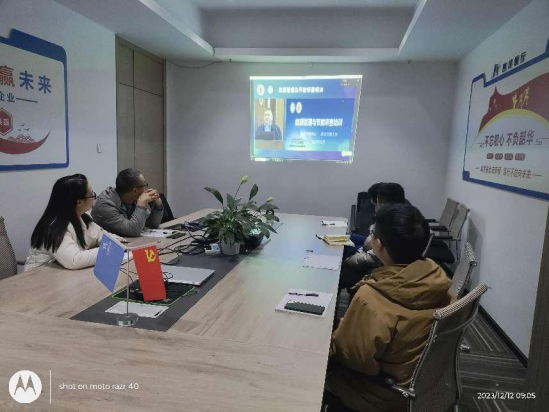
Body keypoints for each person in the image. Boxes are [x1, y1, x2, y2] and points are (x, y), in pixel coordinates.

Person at [326, 203, 452, 412]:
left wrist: (332, 333)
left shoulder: (372, 298)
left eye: (372, 233)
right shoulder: (438, 277)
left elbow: (352, 359)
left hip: (377, 393)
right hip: (419, 383)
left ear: (378, 245)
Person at [25, 174, 112, 271]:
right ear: (79, 202)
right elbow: (75, 260)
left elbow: (98, 234)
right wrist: (109, 250)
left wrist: (117, 242)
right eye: (92, 195)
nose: (94, 198)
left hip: (62, 273)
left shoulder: (83, 215)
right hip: (38, 276)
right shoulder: (54, 227)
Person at [339, 182, 407, 291]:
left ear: (383, 203)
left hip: (373, 264)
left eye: (376, 203)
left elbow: (375, 257)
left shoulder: (392, 222)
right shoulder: (400, 213)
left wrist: (349, 259)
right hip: (370, 247)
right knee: (343, 238)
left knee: (342, 253)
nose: (375, 206)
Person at [91, 168, 163, 237]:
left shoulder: (132, 198)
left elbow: (151, 224)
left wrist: (158, 205)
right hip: (108, 244)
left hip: (128, 241)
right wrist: (141, 203)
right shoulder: (105, 205)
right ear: (135, 190)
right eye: (144, 185)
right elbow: (133, 230)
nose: (146, 188)